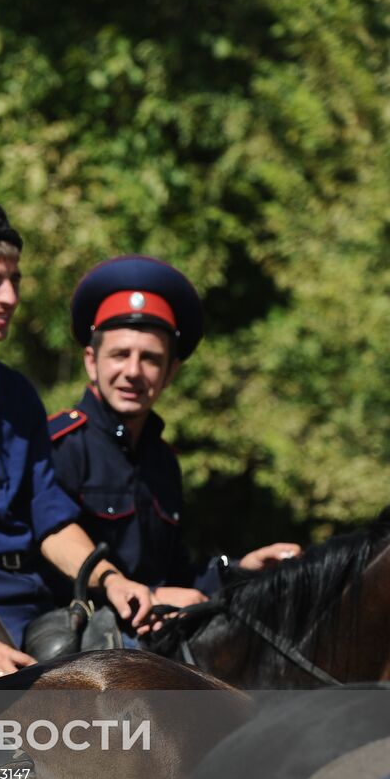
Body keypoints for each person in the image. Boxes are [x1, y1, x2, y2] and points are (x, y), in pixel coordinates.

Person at [0, 199, 157, 679]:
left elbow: (48, 514)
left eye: (14, 281)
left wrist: (110, 579)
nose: (10, 297)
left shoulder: (17, 392)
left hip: (35, 605)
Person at [46, 255, 300, 609]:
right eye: (120, 354)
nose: (133, 371)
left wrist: (242, 569)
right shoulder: (60, 446)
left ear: (170, 371)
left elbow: (179, 577)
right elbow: (46, 564)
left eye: (150, 359)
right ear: (92, 361)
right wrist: (147, 595)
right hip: (82, 642)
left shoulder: (162, 461)